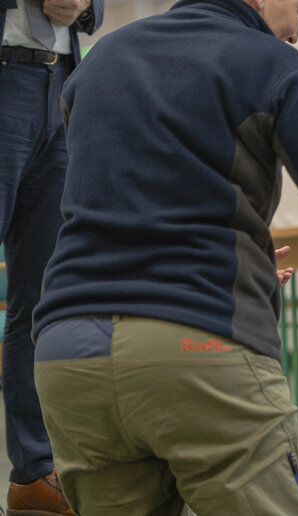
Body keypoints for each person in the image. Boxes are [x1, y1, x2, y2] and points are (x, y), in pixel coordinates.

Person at [30, 0, 298, 513]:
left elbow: (122, 196)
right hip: (195, 346)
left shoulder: (98, 60)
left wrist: (241, 261)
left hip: (68, 354)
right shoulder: (274, 65)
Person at [1, 0, 102, 513]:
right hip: (5, 73)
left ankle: (32, 472)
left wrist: (86, 5)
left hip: (62, 84)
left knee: (37, 296)